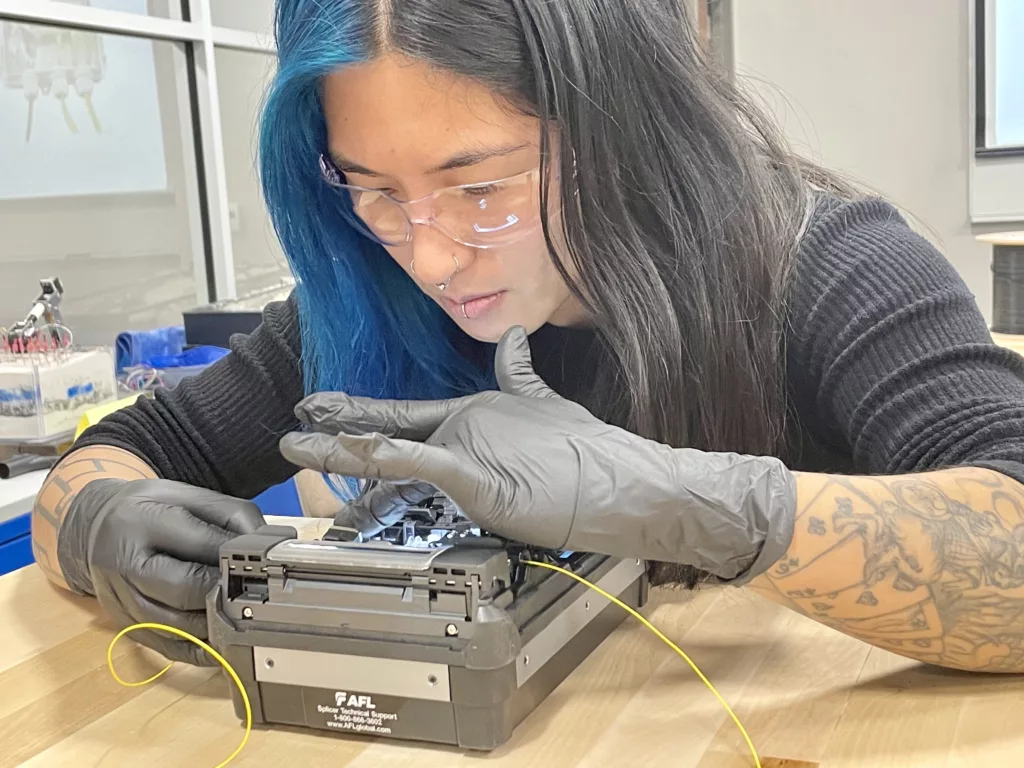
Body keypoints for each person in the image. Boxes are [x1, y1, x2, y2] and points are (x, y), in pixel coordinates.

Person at [31, 0, 1024, 674]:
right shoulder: (377, 294)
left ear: (622, 132)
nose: (428, 256)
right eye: (372, 189)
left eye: (480, 187)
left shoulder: (823, 265)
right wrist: (93, 526)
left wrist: (688, 504)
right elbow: (118, 456)